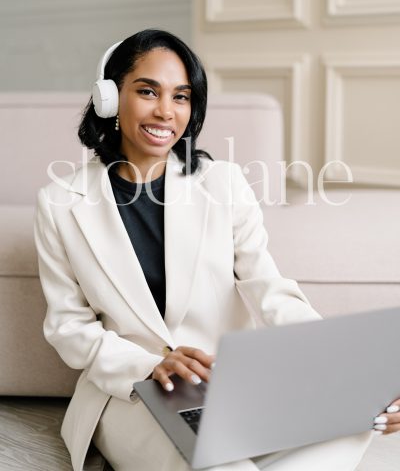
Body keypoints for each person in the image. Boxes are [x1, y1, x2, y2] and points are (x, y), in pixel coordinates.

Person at [34, 29, 399, 471]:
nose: (166, 112)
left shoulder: (222, 182)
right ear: (109, 98)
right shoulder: (59, 203)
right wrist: (151, 366)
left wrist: (345, 370)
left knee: (363, 416)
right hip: (133, 393)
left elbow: (267, 286)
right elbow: (69, 328)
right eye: (148, 91)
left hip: (228, 387)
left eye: (181, 97)